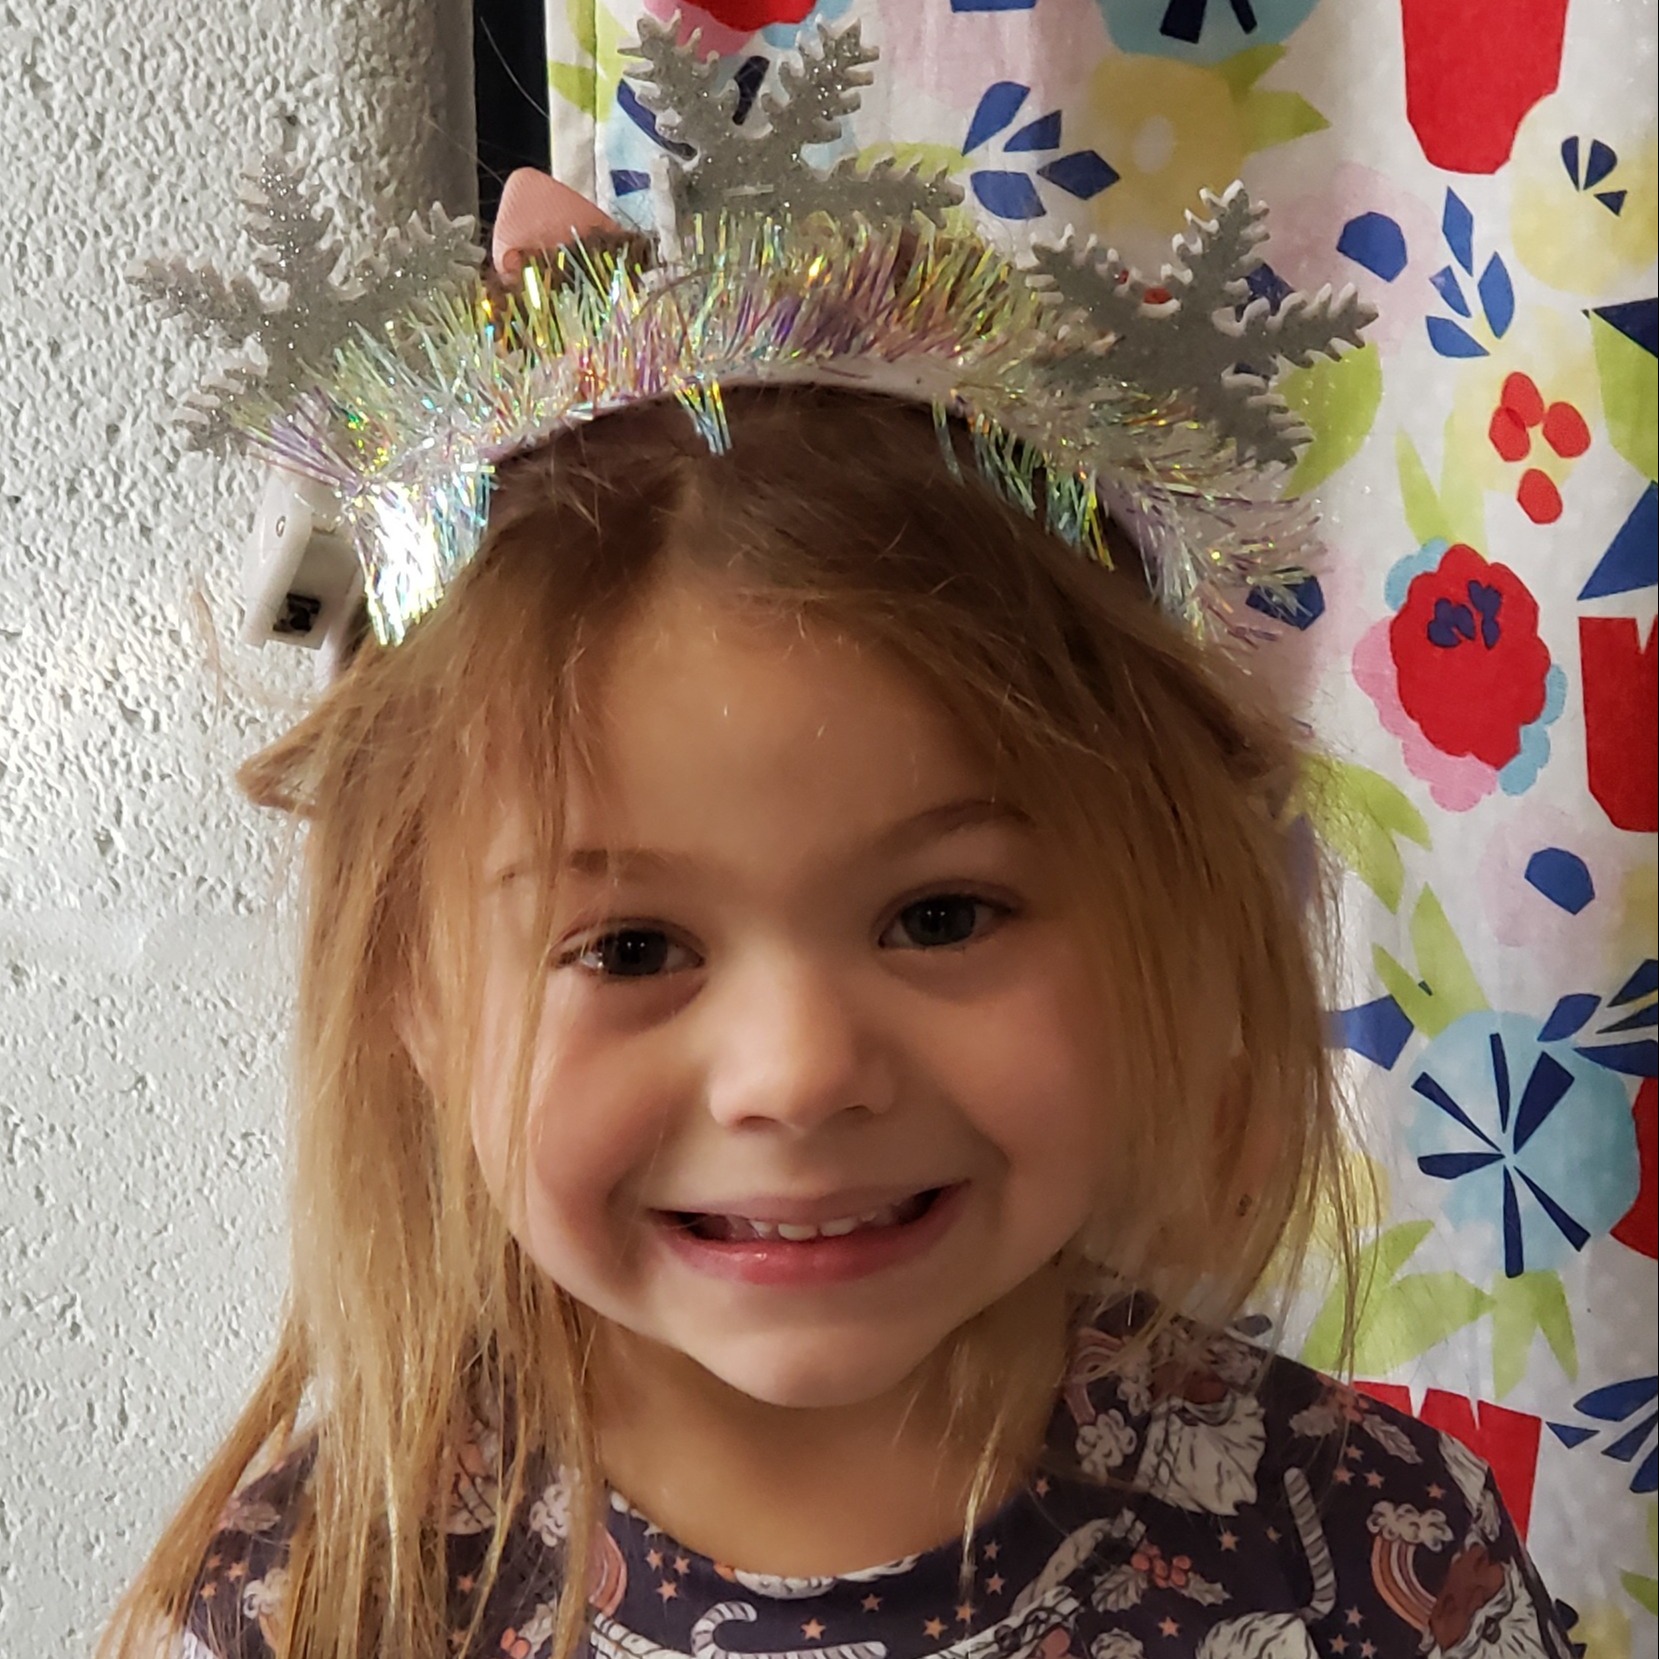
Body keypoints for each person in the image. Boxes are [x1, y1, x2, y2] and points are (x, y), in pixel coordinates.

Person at [106, 24, 1573, 1659]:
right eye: (633, 948)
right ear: (414, 994)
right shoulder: (318, 1606)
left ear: (1164, 909)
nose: (797, 1076)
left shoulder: (1370, 1556)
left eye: (942, 915)